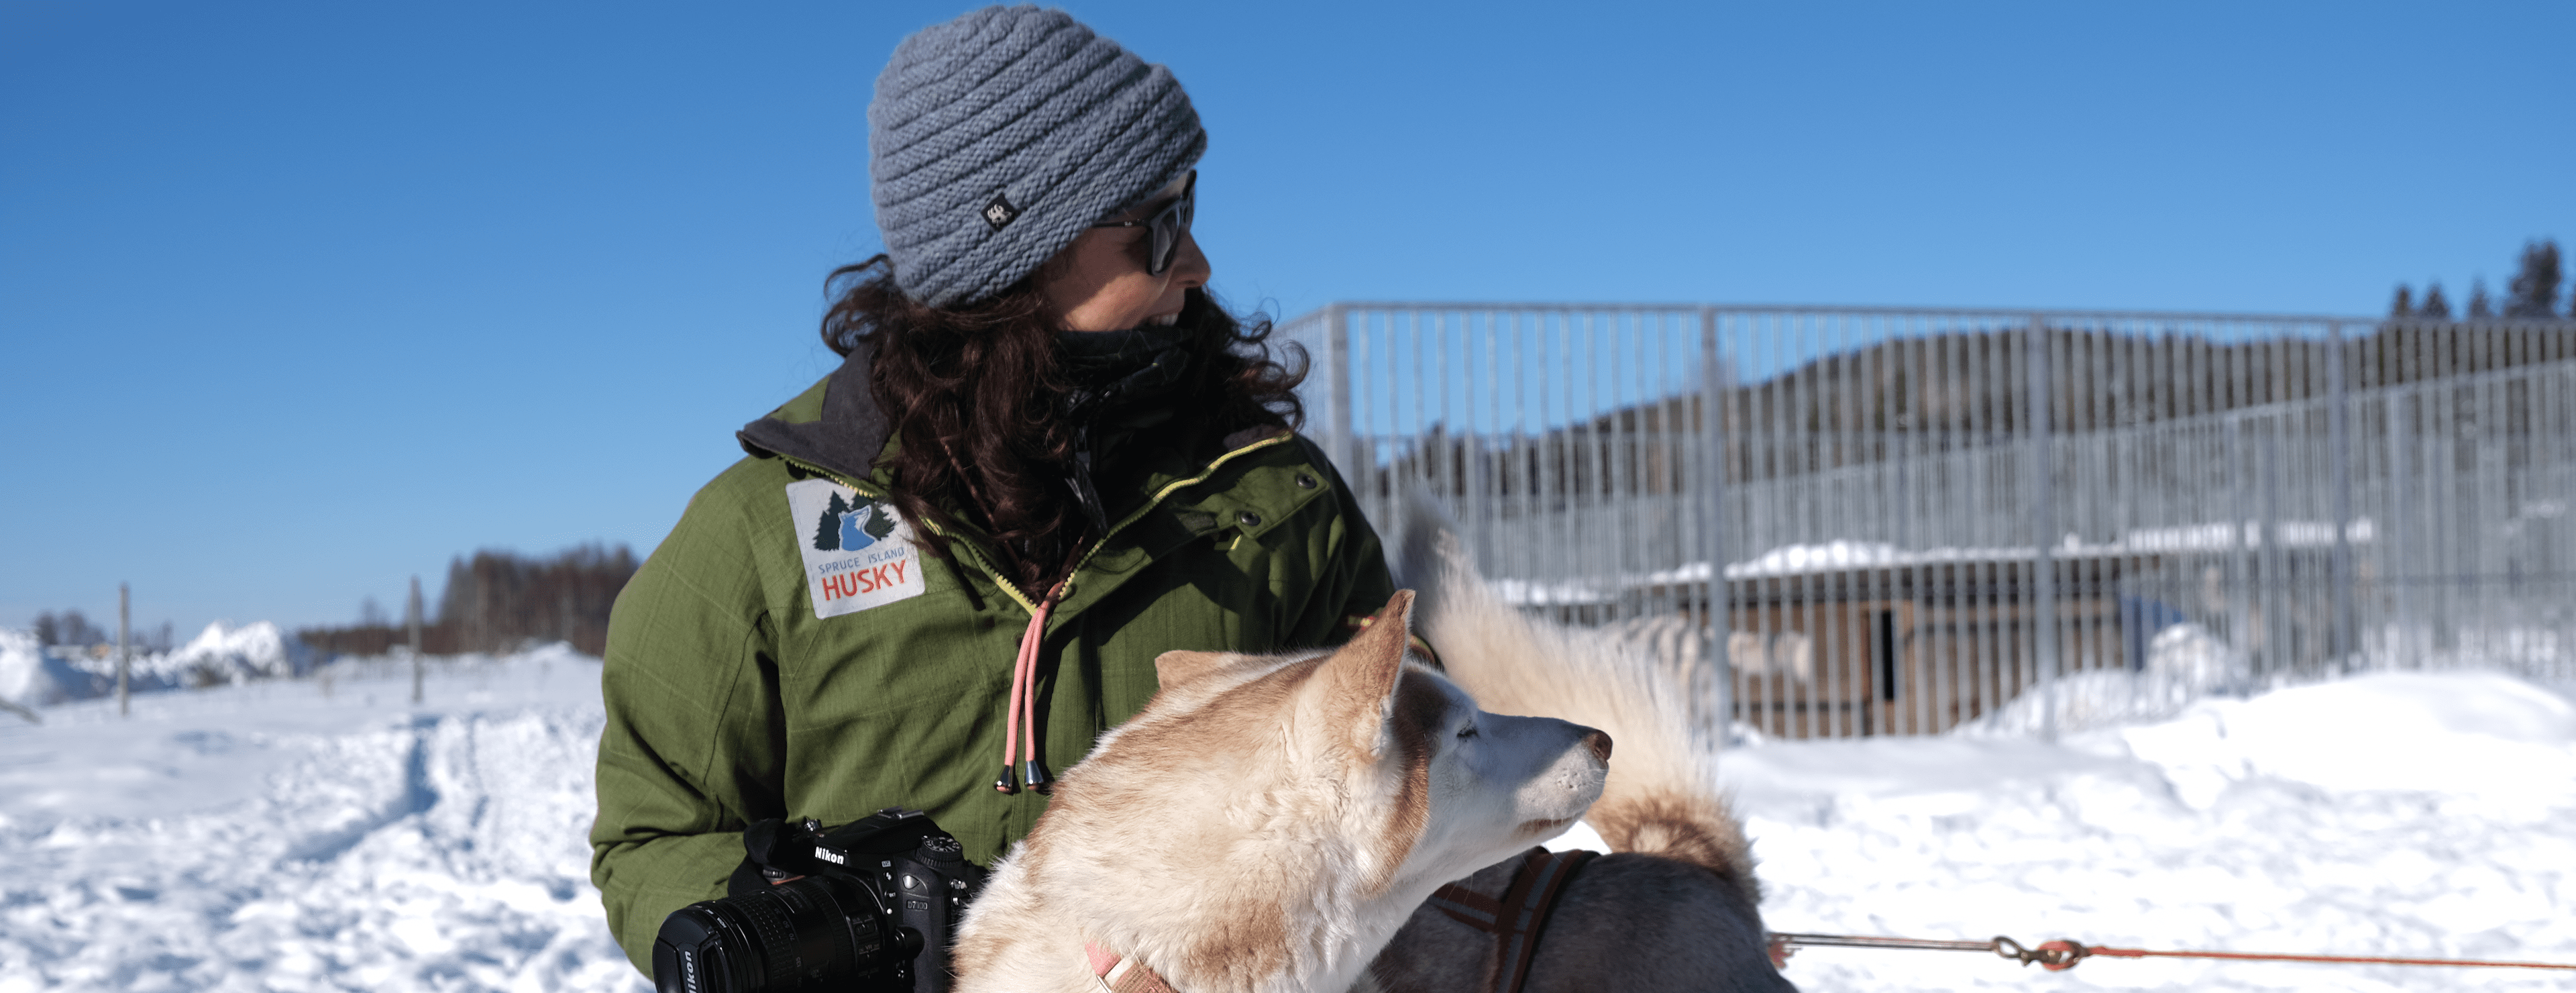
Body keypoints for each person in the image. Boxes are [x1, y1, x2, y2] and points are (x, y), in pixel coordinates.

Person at [587, 5, 1399, 972]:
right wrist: (807, 934)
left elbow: (1404, 764)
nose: (1198, 262)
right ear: (1017, 252)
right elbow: (653, 836)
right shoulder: (763, 536)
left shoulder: (1274, 503)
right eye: (1160, 221)